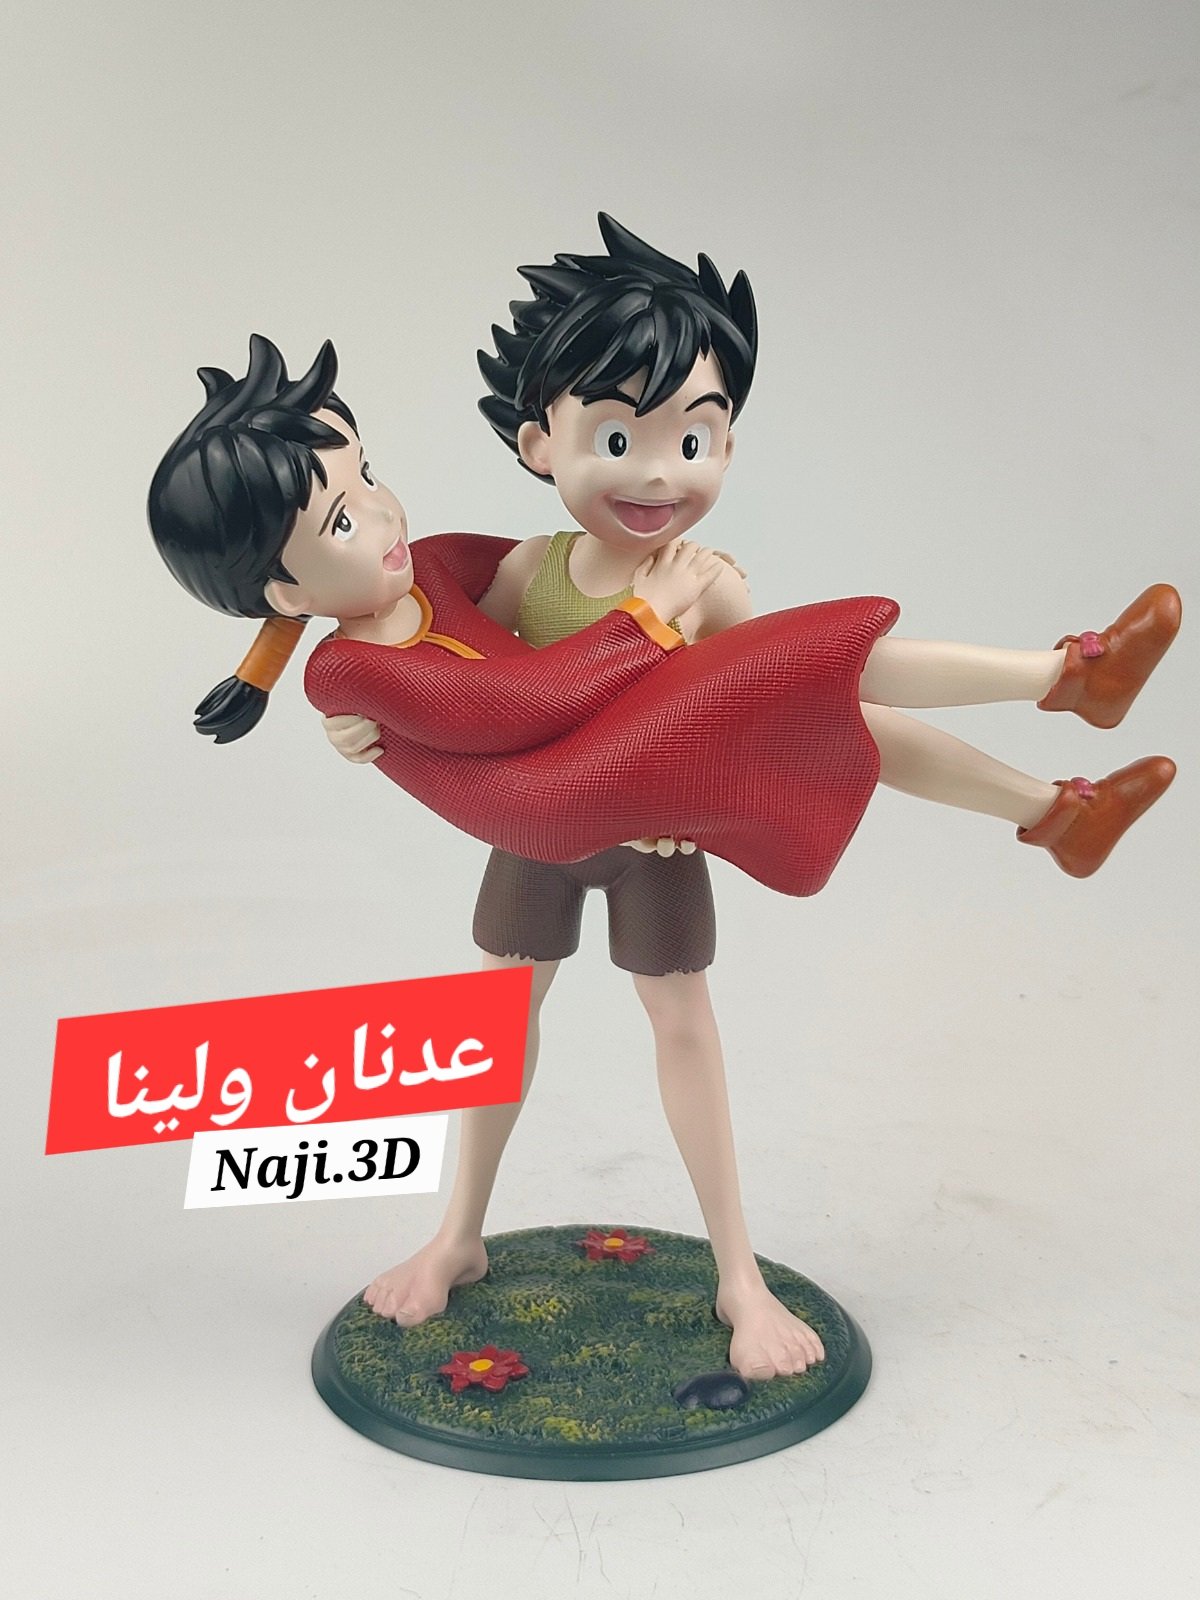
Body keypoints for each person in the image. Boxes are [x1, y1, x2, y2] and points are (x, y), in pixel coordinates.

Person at [149, 303, 1178, 1378]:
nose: (382, 514)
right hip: (546, 828)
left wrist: (279, 657)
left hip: (656, 830)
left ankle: (1061, 759)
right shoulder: (361, 664)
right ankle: (457, 1235)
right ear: (542, 444)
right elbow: (509, 706)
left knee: (811, 736)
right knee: (499, 1025)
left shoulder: (444, 576)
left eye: (368, 476)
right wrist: (645, 618)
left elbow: (379, 607)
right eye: (342, 518)